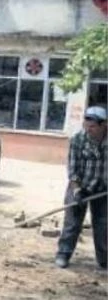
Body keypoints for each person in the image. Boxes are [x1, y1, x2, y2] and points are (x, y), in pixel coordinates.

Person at [55, 106, 107, 270]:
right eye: (86, 126)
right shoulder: (78, 140)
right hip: (80, 186)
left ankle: (104, 259)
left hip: (103, 189)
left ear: (104, 125)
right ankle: (63, 254)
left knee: (103, 226)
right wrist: (77, 191)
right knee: (72, 223)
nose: (88, 130)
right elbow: (73, 169)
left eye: (92, 127)